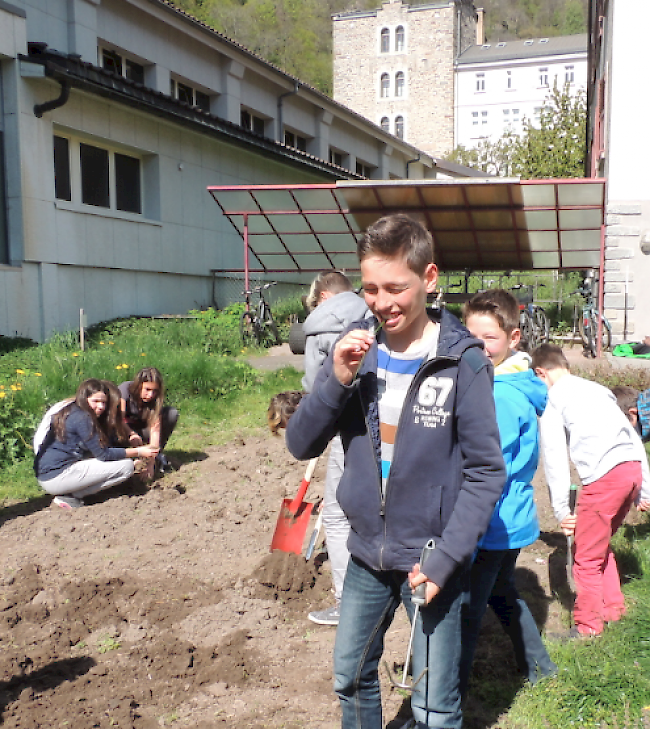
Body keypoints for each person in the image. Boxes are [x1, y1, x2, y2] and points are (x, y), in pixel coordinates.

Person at [285, 213, 506, 729]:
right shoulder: (357, 353)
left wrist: (448, 556)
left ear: (429, 279)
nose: (382, 302)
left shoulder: (462, 363)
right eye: (370, 289)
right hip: (366, 552)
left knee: (434, 704)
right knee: (349, 675)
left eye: (395, 288)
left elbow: (485, 473)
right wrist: (334, 379)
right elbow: (300, 443)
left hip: (430, 558)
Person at [460, 290, 556, 694]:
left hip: (490, 519)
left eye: (489, 340)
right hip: (513, 516)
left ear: (514, 338)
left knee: (462, 611)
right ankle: (540, 668)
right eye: (471, 338)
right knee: (503, 592)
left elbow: (485, 462)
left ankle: (445, 693)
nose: (479, 348)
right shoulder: (514, 382)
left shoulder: (498, 394)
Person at [532, 343, 650, 637]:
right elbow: (633, 438)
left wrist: (561, 509)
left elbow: (555, 457)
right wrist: (644, 489)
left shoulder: (553, 400)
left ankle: (587, 628)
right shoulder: (598, 390)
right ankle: (613, 608)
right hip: (630, 469)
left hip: (605, 478)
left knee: (584, 557)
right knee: (600, 544)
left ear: (540, 373)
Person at [302, 270, 369, 626]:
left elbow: (318, 387)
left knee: (338, 513)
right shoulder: (372, 312)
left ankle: (348, 602)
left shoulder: (319, 325)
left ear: (324, 297)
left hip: (347, 427)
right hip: (381, 424)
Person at [34, 379, 159, 509]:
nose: (101, 407)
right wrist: (139, 452)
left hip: (48, 473)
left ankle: (71, 493)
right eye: (96, 401)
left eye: (104, 403)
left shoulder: (73, 410)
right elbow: (103, 454)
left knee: (119, 462)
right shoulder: (83, 418)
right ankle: (72, 496)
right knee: (126, 467)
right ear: (85, 398)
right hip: (56, 476)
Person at [119, 367, 178, 475]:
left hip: (142, 431)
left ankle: (154, 456)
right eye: (147, 389)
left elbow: (155, 431)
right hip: (122, 429)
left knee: (171, 413)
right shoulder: (125, 390)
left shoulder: (155, 400)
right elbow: (118, 418)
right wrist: (131, 434)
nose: (150, 395)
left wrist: (150, 463)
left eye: (154, 391)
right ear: (139, 385)